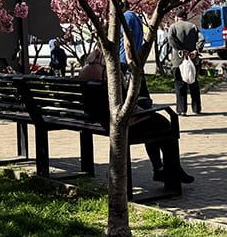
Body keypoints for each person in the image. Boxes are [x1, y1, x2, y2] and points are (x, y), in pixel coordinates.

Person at [74, 47, 194, 191]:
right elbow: (126, 100)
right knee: (164, 124)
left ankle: (160, 168)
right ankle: (170, 172)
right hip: (119, 122)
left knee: (152, 122)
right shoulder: (109, 72)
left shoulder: (84, 70)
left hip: (95, 120)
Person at [168, 10, 204, 116]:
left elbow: (170, 39)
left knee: (179, 84)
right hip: (192, 60)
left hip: (178, 60)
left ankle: (181, 109)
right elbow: (201, 39)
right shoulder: (193, 26)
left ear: (177, 17)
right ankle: (196, 108)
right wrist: (195, 51)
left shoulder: (173, 27)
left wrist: (180, 49)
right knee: (194, 84)